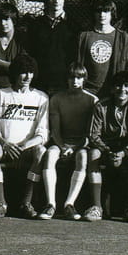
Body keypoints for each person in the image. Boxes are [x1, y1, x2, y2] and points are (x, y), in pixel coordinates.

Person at [0, 53, 49, 218]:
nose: (28, 77)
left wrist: (24, 146)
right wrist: (5, 144)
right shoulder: (1, 94)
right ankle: (1, 203)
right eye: (23, 72)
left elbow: (42, 134)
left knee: (41, 151)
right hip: (5, 147)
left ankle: (26, 203)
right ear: (15, 73)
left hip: (27, 149)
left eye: (31, 72)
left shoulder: (41, 97)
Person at [38, 62, 97, 220]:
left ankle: (69, 204)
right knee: (50, 154)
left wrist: (75, 147)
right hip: (61, 143)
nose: (75, 81)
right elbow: (55, 130)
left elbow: (90, 133)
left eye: (79, 77)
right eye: (72, 77)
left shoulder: (92, 100)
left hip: (81, 145)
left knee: (83, 157)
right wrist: (62, 147)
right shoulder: (56, 99)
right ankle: (50, 204)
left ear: (84, 79)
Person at [86, 70, 128, 223]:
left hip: (126, 149)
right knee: (93, 154)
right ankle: (96, 207)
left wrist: (123, 152)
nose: (122, 89)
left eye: (126, 86)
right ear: (112, 88)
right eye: (118, 85)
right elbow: (93, 135)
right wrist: (108, 151)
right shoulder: (101, 106)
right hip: (105, 147)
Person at [28, 0, 78, 94]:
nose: (56, 1)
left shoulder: (74, 26)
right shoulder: (36, 25)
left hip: (64, 85)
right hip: (39, 84)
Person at [77, 0, 128, 96]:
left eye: (106, 11)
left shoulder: (123, 38)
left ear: (112, 13)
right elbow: (77, 65)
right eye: (98, 11)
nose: (102, 15)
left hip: (113, 91)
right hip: (88, 90)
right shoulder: (84, 36)